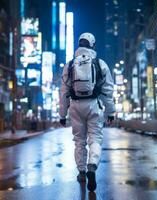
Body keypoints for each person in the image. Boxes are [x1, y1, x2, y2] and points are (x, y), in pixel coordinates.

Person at [59, 32, 115, 191]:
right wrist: (111, 111)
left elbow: (63, 92)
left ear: (79, 44)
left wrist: (62, 115)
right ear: (93, 45)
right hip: (93, 105)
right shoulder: (100, 63)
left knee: (79, 141)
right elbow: (107, 90)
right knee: (95, 138)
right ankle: (92, 166)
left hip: (75, 106)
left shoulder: (69, 65)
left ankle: (82, 172)